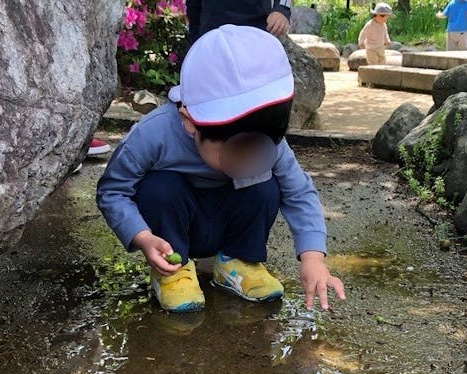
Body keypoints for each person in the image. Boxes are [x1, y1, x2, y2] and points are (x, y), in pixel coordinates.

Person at [96, 25, 346, 314]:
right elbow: (113, 190)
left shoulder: (268, 141)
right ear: (189, 122)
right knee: (158, 187)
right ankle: (173, 271)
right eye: (235, 147)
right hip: (173, 230)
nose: (247, 155)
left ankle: (238, 261)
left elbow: (298, 192)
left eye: (259, 143)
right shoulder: (154, 133)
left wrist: (313, 258)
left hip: (230, 218)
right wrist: (142, 237)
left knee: (266, 185)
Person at [186, 0, 292, 43]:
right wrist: (195, 38)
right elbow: (193, 5)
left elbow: (283, 5)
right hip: (213, 37)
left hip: (255, 35)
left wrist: (282, 9)